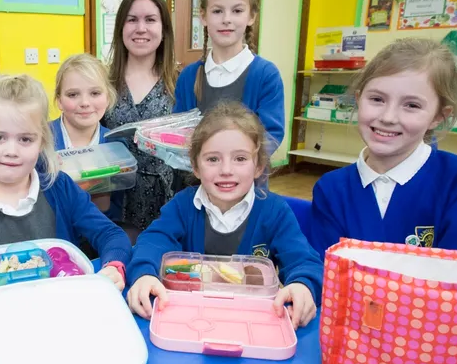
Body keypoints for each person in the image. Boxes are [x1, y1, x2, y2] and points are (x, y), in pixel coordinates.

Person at [0, 74, 132, 338]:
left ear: (42, 141)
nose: (11, 150)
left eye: (25, 139)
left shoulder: (59, 188)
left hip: (62, 324)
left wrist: (114, 265)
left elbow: (111, 235)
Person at [125, 103, 321, 327]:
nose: (226, 170)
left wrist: (303, 284)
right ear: (195, 167)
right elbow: (153, 241)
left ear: (258, 167)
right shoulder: (182, 205)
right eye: (212, 159)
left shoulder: (274, 211)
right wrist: (144, 274)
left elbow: (304, 259)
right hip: (190, 318)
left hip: (251, 321)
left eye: (240, 159)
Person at [310, 38, 457, 255]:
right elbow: (322, 274)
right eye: (377, 99)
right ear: (359, 100)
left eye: (412, 105)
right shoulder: (331, 189)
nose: (388, 117)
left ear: (438, 117)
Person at [174, 0, 285, 148]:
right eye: (217, 11)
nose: (227, 19)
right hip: (193, 175)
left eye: (237, 10)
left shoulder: (265, 75)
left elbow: (270, 137)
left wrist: (235, 164)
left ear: (251, 17)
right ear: (203, 16)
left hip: (245, 176)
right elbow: (178, 133)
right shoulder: (188, 76)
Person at [102, 0, 180, 236]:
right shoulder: (102, 82)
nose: (141, 28)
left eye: (150, 20)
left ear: (164, 30)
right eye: (132, 19)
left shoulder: (180, 83)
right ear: (120, 29)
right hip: (112, 202)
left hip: (166, 205)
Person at [51, 53, 120, 221]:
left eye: (95, 93)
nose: (85, 103)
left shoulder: (116, 145)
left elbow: (115, 211)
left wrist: (105, 202)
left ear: (108, 97)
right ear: (59, 101)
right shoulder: (39, 140)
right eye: (73, 95)